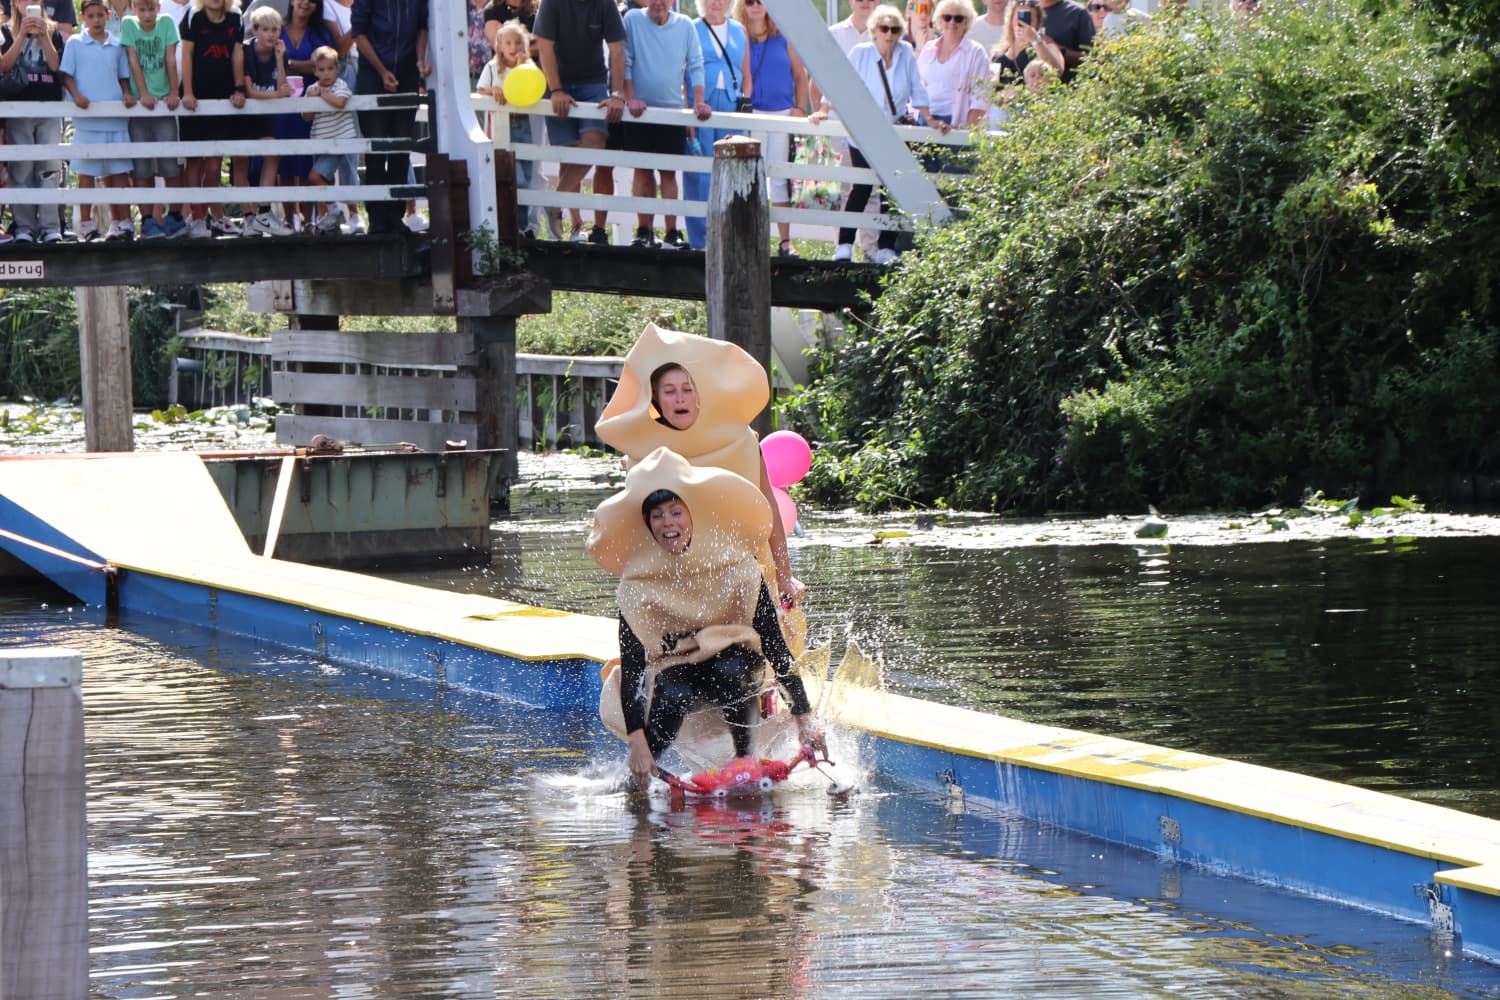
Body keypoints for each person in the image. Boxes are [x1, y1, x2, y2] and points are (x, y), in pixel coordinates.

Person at [586, 447, 823, 790]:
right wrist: (637, 743)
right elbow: (635, 669)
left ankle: (745, 761)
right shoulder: (636, 584)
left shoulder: (736, 565)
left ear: (691, 515)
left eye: (676, 512)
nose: (668, 523)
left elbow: (774, 645)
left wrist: (805, 717)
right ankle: (637, 779)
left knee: (732, 667)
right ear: (648, 525)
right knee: (671, 690)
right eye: (657, 516)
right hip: (676, 669)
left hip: (738, 664)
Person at [594, 323, 806, 614]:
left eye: (687, 389)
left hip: (742, 570)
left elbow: (769, 512)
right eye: (669, 391)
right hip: (678, 576)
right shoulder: (645, 454)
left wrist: (785, 577)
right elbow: (641, 531)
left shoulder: (739, 441)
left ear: (699, 395)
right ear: (655, 399)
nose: (680, 398)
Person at [810, 3, 937, 266]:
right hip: (864, 131)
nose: (889, 34)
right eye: (883, 28)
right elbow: (840, 83)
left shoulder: (905, 54)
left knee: (893, 189)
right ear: (874, 31)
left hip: (894, 132)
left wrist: (931, 118)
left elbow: (917, 89)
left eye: (894, 29)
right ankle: (845, 244)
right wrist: (823, 109)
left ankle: (886, 247)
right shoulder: (861, 53)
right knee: (862, 187)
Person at [532, 0, 625, 243]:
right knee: (569, 154)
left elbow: (617, 49)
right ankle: (575, 226)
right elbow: (544, 47)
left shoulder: (605, 4)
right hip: (556, 81)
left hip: (593, 82)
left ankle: (554, 203)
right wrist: (556, 90)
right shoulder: (551, 3)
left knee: (594, 144)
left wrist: (616, 95)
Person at [621, 0, 709, 250]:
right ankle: (643, 230)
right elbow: (625, 60)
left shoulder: (685, 26)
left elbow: (695, 63)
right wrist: (630, 98)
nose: (659, 2)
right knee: (642, 170)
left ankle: (672, 232)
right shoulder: (633, 19)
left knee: (669, 172)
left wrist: (699, 102)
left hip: (670, 110)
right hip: (639, 111)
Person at [351, 0, 428, 234]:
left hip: (407, 75)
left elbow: (422, 28)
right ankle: (376, 217)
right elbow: (359, 33)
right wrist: (382, 70)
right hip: (372, 77)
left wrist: (420, 60)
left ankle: (396, 216)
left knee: (400, 147)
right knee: (376, 148)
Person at [735, 0, 805, 257]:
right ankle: (750, 239)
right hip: (751, 114)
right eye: (749, 1)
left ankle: (785, 241)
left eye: (761, 1)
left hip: (782, 114)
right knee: (750, 178)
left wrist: (799, 107)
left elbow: (800, 75)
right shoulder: (737, 35)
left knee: (778, 177)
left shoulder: (783, 36)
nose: (756, 5)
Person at [60, 0, 135, 240]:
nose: (96, 20)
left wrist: (126, 93)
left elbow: (123, 76)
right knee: (86, 173)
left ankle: (123, 222)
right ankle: (85, 223)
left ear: (108, 15)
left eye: (100, 15)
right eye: (91, 15)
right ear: (83, 17)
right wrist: (78, 95)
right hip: (87, 120)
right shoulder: (74, 43)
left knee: (119, 172)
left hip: (115, 118)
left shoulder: (116, 45)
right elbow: (66, 75)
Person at [681, 0, 748, 251]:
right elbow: (684, 75)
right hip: (701, 109)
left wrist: (745, 105)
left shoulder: (739, 30)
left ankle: (729, 237)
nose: (715, 2)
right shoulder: (692, 28)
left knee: (732, 172)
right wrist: (687, 112)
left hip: (731, 108)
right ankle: (700, 241)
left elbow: (746, 74)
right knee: (699, 174)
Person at [179, 0, 247, 238]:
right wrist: (187, 91)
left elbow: (238, 53)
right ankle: (197, 217)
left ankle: (217, 216)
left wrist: (239, 88)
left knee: (215, 162)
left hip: (223, 94)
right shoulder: (193, 16)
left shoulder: (236, 17)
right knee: (195, 160)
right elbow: (186, 54)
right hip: (196, 96)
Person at [0, 1, 66, 243]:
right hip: (19, 108)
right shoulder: (6, 31)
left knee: (49, 169)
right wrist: (20, 36)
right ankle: (24, 226)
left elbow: (56, 65)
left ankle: (50, 226)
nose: (27, 4)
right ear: (15, 4)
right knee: (22, 169)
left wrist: (43, 37)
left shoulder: (54, 30)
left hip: (49, 107)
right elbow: (4, 65)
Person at [121, 0, 184, 239]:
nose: (147, 15)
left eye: (151, 9)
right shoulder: (129, 24)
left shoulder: (166, 22)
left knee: (170, 163)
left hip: (164, 104)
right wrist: (143, 93)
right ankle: (147, 219)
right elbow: (133, 60)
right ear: (135, 9)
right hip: (139, 105)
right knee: (141, 167)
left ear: (158, 8)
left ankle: (175, 216)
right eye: (142, 9)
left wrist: (174, 91)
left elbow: (170, 57)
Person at [274, 0, 337, 228]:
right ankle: (289, 219)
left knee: (307, 161)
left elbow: (325, 64)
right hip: (281, 103)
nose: (306, 3)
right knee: (285, 162)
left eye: (312, 0)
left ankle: (309, 220)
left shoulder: (320, 31)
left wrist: (289, 62)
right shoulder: (277, 27)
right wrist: (306, 64)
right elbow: (262, 54)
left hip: (312, 104)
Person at [475, 21, 539, 236]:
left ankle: (523, 225)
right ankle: (513, 225)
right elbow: (480, 90)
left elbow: (535, 88)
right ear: (499, 46)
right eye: (508, 43)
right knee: (513, 175)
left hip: (522, 124)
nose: (513, 47)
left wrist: (524, 67)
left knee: (526, 174)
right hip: (501, 126)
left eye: (518, 42)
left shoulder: (528, 68)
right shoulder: (492, 68)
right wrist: (493, 91)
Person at [238, 4, 294, 235]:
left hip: (264, 114)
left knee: (272, 153)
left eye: (276, 29)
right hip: (242, 115)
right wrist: (276, 95)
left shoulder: (280, 51)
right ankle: (248, 217)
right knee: (240, 162)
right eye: (267, 30)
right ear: (255, 30)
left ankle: (262, 212)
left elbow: (282, 84)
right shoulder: (245, 51)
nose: (272, 34)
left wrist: (280, 60)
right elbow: (251, 91)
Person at [302, 44, 356, 231]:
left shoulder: (340, 85)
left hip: (339, 141)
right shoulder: (312, 89)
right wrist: (312, 99)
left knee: (315, 176)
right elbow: (306, 116)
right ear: (315, 71)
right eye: (322, 69)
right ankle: (331, 217)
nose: (326, 74)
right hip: (321, 142)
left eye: (330, 69)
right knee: (326, 179)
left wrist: (323, 95)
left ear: (337, 69)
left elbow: (341, 102)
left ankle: (334, 211)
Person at [917, 0, 989, 129]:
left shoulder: (976, 52)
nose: (952, 22)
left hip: (955, 123)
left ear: (966, 22)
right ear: (940, 20)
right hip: (925, 120)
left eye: (958, 18)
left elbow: (981, 98)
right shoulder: (928, 48)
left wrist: (964, 130)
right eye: (947, 17)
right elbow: (917, 86)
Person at [990, 0, 1063, 96]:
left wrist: (1035, 40)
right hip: (1001, 107)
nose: (1022, 21)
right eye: (1019, 16)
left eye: (1029, 18)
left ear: (1037, 23)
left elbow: (1056, 72)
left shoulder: (1047, 47)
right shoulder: (999, 52)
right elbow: (989, 88)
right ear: (1011, 19)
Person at [1028, 0, 1091, 80]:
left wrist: (1058, 50)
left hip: (1065, 87)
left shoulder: (1077, 12)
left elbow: (1090, 58)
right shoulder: (1026, 8)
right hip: (1026, 86)